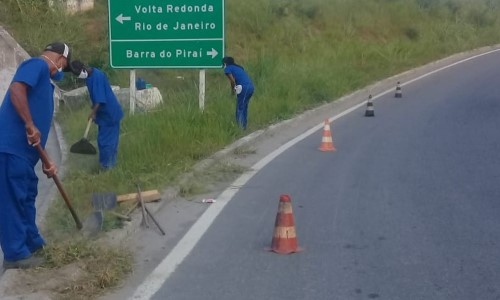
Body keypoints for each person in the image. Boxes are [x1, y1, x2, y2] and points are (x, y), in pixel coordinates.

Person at [0, 42, 73, 269]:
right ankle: (16, 254)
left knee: (27, 195)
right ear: (60, 59)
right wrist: (30, 123)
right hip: (10, 148)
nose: (61, 70)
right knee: (12, 200)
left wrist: (46, 161)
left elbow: (38, 135)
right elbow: (17, 89)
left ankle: (33, 243)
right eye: (63, 65)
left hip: (25, 155)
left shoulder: (44, 83)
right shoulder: (37, 65)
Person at [70, 60, 123, 170]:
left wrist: (92, 113)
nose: (78, 76)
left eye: (77, 73)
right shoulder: (91, 75)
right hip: (105, 114)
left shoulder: (96, 77)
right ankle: (110, 165)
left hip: (109, 114)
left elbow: (100, 100)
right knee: (109, 140)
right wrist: (94, 109)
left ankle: (107, 167)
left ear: (83, 68)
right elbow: (96, 98)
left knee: (106, 141)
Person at [222, 56, 254, 129]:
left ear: (225, 63)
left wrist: (233, 90)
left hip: (243, 88)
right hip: (250, 87)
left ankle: (240, 128)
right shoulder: (239, 67)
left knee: (240, 108)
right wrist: (233, 90)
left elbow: (232, 81)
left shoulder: (228, 68)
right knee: (244, 107)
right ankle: (244, 125)